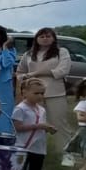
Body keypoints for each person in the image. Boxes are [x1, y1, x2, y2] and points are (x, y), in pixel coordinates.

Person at [17, 27, 72, 160]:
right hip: (32, 94)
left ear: (54, 38)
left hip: (55, 93)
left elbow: (63, 70)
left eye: (48, 36)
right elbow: (20, 72)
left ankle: (66, 154)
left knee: (59, 124)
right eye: (41, 36)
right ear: (36, 39)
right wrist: (25, 79)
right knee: (32, 123)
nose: (45, 38)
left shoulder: (61, 52)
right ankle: (29, 152)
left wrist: (36, 73)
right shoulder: (29, 54)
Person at [13, 77, 57, 170]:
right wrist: (39, 126)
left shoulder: (41, 110)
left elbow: (39, 126)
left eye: (42, 93)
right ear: (24, 92)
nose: (39, 96)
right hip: (23, 147)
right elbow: (18, 127)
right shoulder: (20, 109)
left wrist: (47, 128)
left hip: (38, 148)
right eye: (36, 93)